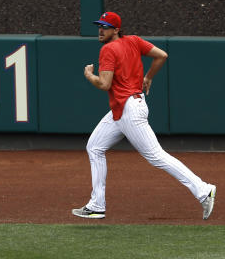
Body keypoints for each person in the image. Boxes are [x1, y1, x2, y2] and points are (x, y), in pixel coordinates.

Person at [72, 11, 216, 221]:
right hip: (124, 109)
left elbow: (104, 84)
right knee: (94, 146)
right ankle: (97, 205)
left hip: (129, 110)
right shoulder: (133, 41)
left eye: (105, 26)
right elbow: (162, 55)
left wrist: (88, 75)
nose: (100, 30)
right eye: (99, 26)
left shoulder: (108, 49)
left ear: (116, 29)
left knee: (157, 157)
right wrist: (148, 77)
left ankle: (204, 190)